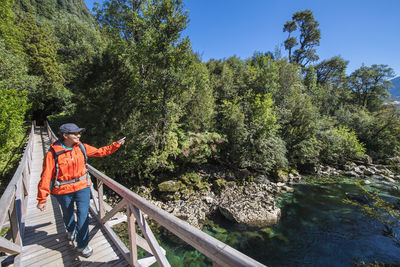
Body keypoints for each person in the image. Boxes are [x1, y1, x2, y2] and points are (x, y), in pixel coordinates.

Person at [37, 123, 126, 258]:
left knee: (83, 216)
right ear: (65, 135)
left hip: (82, 187)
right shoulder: (53, 153)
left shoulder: (81, 147)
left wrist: (115, 145)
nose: (79, 136)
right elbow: (46, 175)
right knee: (67, 214)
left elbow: (100, 152)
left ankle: (82, 245)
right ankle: (71, 230)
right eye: (75, 134)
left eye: (79, 133)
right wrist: (42, 198)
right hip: (62, 190)